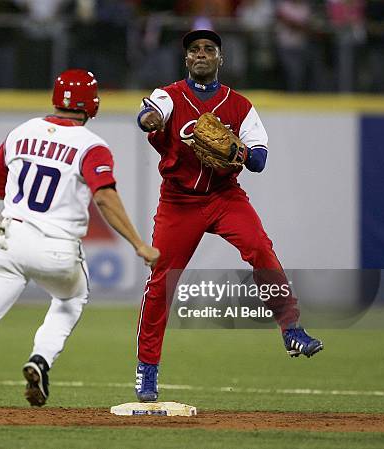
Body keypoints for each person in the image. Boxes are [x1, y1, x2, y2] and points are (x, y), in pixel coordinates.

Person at [0, 68, 160, 429]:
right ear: (92, 105)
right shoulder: (90, 145)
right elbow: (104, 195)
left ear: (56, 98)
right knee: (71, 299)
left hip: (9, 240)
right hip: (57, 248)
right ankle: (40, 359)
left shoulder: (20, 132)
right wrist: (138, 243)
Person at [134, 30, 323, 403]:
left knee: (260, 249)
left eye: (209, 49)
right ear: (186, 60)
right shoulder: (169, 96)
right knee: (161, 282)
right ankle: (147, 369)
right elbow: (148, 114)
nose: (201, 54)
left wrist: (239, 152)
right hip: (178, 202)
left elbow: (260, 161)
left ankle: (291, 330)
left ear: (221, 58)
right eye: (194, 50)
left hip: (225, 197)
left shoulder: (240, 106)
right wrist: (151, 120)